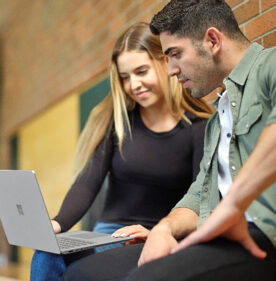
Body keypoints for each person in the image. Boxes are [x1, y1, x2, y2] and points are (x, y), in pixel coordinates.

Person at [62, 1, 276, 281]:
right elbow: (198, 195)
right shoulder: (216, 120)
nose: (172, 70)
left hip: (262, 235)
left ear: (212, 40)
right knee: (81, 274)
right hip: (215, 237)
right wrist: (164, 229)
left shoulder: (270, 65)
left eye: (175, 54)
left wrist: (232, 206)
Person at [30, 22, 212, 281]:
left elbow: (200, 201)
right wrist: (55, 225)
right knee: (46, 253)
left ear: (164, 63)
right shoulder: (116, 121)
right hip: (108, 234)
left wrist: (163, 231)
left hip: (157, 235)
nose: (134, 84)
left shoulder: (199, 127)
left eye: (141, 71)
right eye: (125, 77)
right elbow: (87, 183)